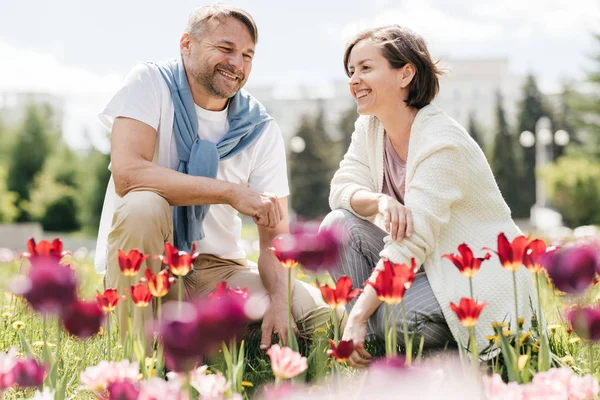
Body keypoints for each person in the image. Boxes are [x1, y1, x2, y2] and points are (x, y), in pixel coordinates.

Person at [95, 3, 331, 351]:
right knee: (143, 204)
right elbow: (129, 175)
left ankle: (214, 335)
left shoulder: (260, 129)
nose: (237, 63)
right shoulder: (150, 83)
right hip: (151, 264)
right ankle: (141, 359)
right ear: (186, 44)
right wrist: (230, 193)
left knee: (319, 317)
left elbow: (273, 239)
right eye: (226, 48)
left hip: (218, 269)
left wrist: (279, 303)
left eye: (247, 55)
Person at [321, 25, 537, 367]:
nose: (354, 80)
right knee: (336, 225)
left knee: (393, 321)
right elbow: (342, 190)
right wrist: (380, 201)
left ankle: (381, 336)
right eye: (351, 71)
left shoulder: (441, 141)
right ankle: (373, 338)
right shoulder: (370, 127)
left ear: (406, 72)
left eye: (365, 68)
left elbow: (412, 242)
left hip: (471, 276)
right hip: (421, 270)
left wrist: (358, 315)